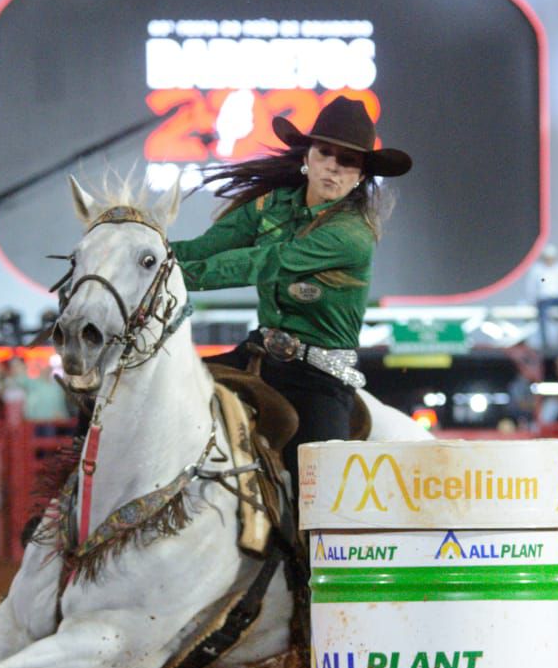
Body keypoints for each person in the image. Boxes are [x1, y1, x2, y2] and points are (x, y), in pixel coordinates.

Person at [170, 95, 412, 478]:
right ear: (307, 157)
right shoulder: (269, 205)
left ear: (361, 175)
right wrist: (140, 253)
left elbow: (266, 262)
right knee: (168, 400)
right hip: (259, 356)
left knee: (316, 491)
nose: (333, 166)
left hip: (319, 379)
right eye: (325, 153)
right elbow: (204, 248)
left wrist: (165, 277)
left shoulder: (351, 234)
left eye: (348, 160)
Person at [526, 244, 558, 352]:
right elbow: (532, 288)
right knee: (542, 316)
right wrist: (532, 302)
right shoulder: (537, 270)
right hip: (544, 299)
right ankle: (545, 344)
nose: (549, 261)